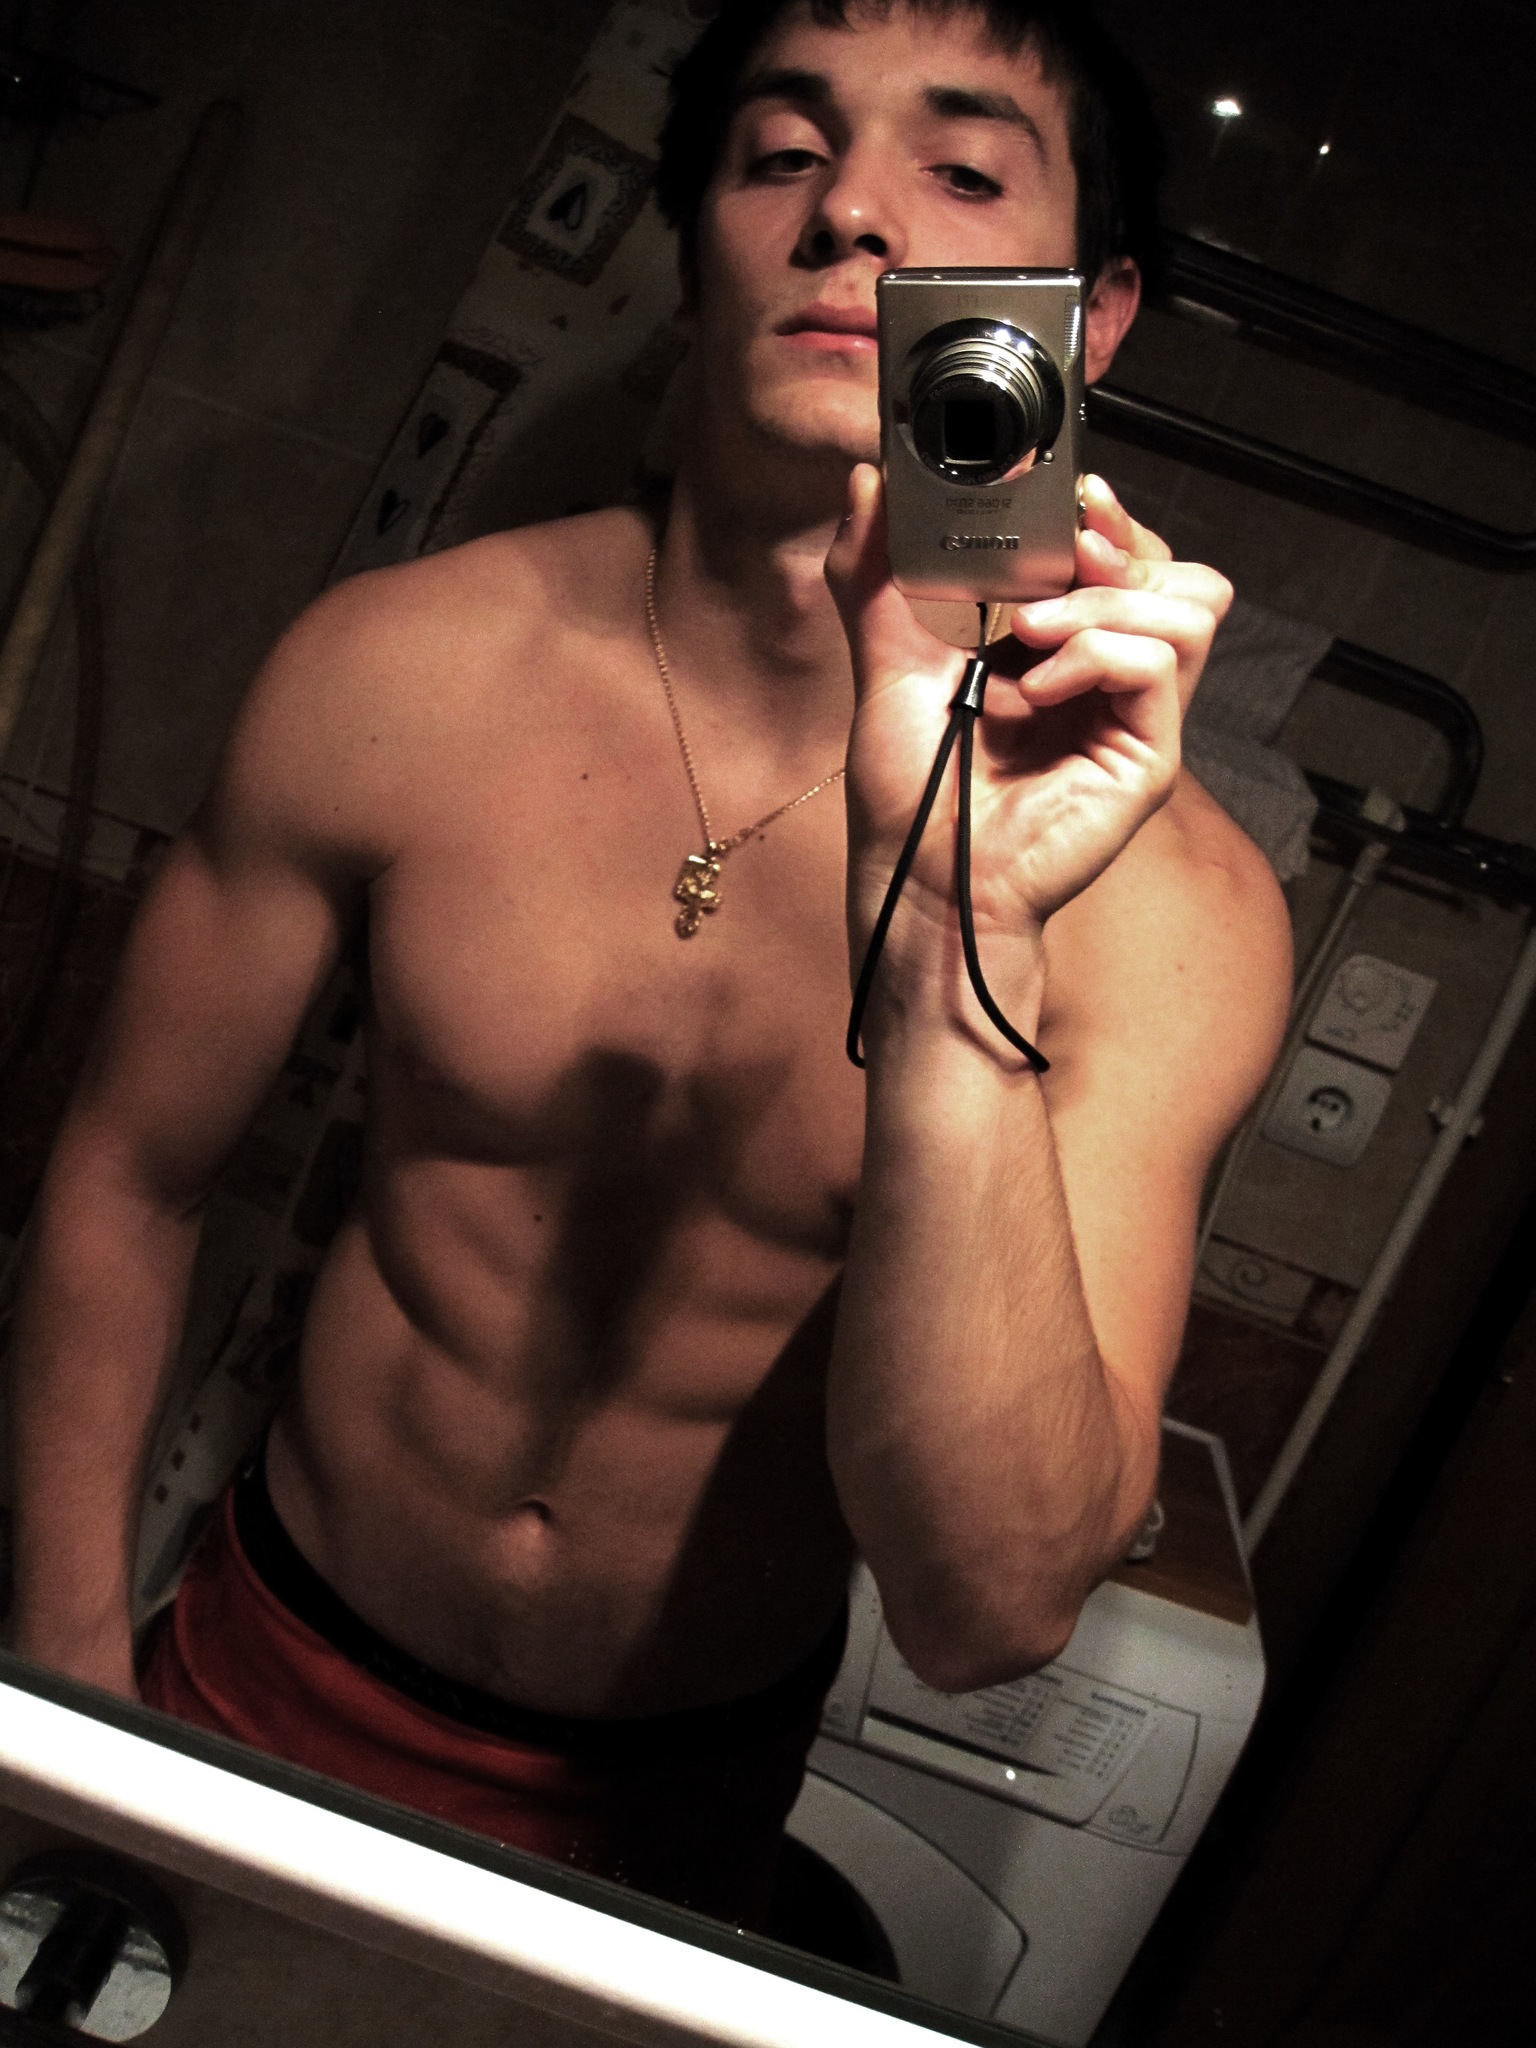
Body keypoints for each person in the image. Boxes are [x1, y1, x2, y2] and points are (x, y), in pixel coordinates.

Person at [6, 0, 1290, 1927]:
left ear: (1090, 319)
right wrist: (64, 1683)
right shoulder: (401, 672)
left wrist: (956, 941)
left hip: (669, 1822)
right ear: (694, 260)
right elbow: (129, 1170)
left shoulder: (1167, 906)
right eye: (782, 155)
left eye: (959, 168)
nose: (851, 209)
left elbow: (989, 1611)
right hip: (255, 1673)